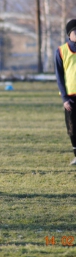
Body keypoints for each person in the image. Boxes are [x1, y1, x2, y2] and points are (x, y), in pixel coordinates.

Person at [55, 19, 76, 165]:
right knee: (72, 129)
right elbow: (59, 76)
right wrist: (64, 98)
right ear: (70, 34)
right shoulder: (61, 51)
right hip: (70, 98)